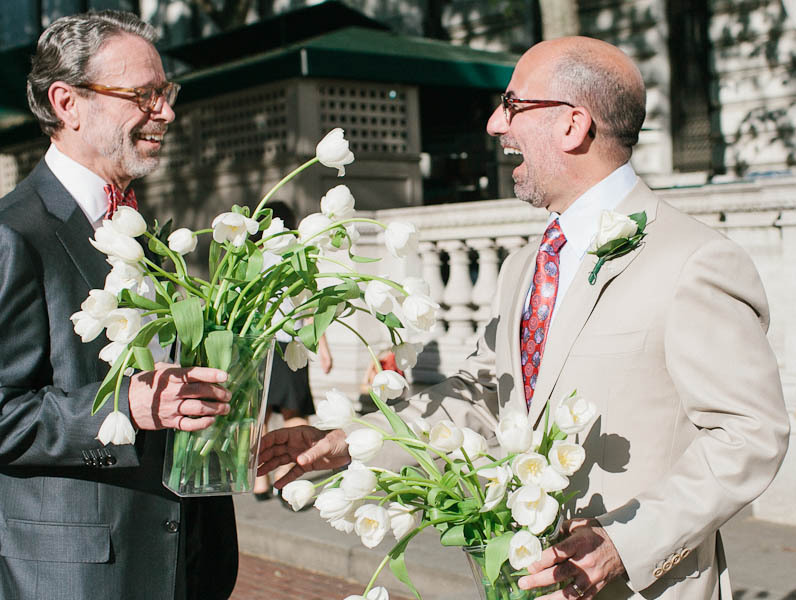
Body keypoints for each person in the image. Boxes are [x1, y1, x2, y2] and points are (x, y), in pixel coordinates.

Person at [259, 36, 790, 600]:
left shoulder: (694, 259)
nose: (494, 124)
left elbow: (749, 434)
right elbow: (483, 395)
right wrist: (353, 441)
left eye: (512, 105)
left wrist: (623, 543)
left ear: (573, 125)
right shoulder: (523, 266)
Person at [0, 11, 237, 600]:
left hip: (171, 560)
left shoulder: (143, 230)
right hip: (61, 574)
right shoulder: (8, 235)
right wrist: (124, 408)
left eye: (166, 92)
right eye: (144, 95)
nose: (166, 112)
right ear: (67, 102)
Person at [253, 201, 333, 500]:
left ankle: (259, 482)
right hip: (290, 343)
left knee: (259, 415)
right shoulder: (296, 257)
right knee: (294, 412)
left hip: (258, 343)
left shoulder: (252, 257)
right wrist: (323, 347)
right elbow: (310, 308)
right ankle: (286, 481)